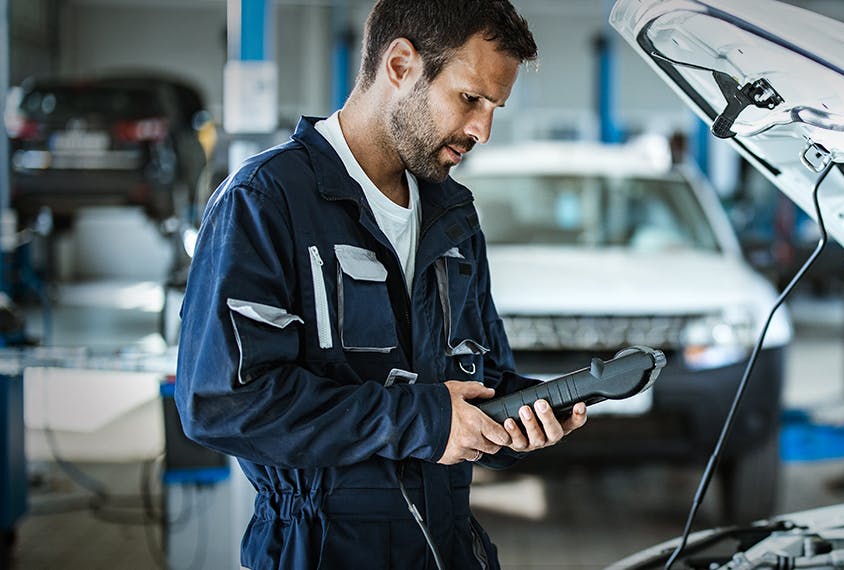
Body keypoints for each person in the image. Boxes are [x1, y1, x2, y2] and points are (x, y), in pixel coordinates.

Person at [174, 1, 587, 568]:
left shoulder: (454, 217)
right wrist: (426, 421)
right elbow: (222, 402)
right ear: (399, 64)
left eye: (495, 108)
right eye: (471, 99)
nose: (482, 130)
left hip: (447, 544)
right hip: (320, 547)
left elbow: (473, 380)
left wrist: (522, 412)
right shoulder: (267, 201)